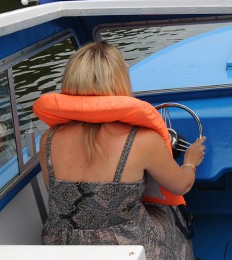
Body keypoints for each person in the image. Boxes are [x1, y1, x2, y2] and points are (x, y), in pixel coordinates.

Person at [33, 41, 206, 260]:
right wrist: (190, 161)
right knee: (170, 215)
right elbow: (182, 185)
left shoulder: (49, 138)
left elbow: (55, 192)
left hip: (61, 244)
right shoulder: (143, 140)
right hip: (128, 245)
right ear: (120, 82)